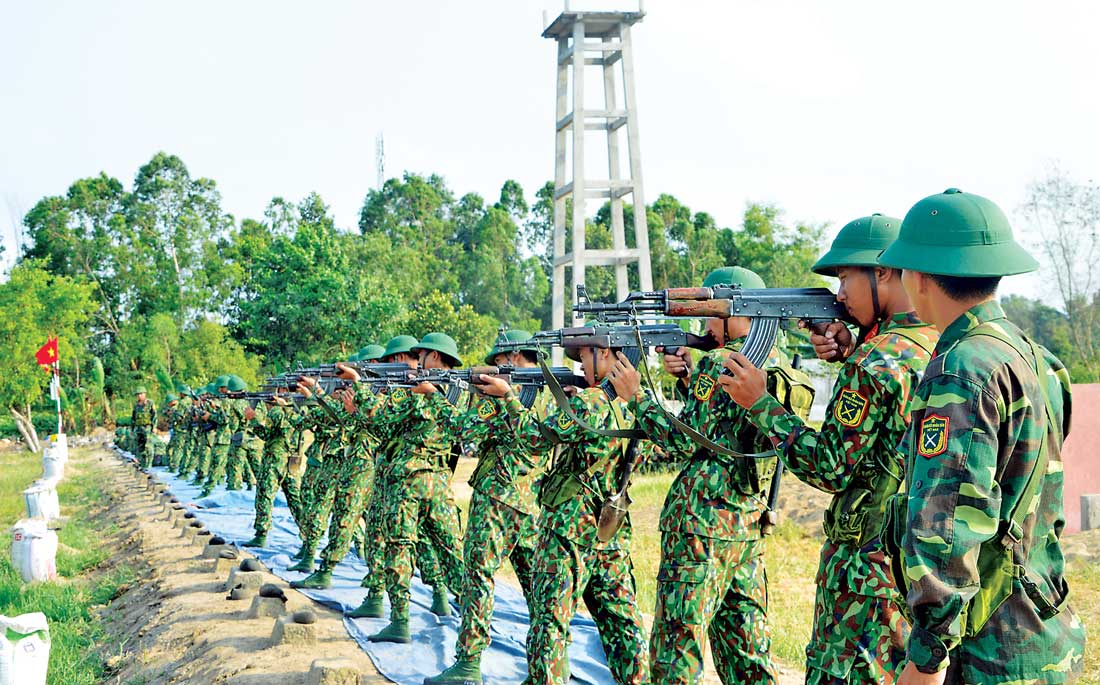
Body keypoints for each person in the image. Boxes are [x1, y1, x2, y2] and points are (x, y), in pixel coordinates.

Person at [717, 220, 939, 685]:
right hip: (914, 563)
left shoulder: (874, 362)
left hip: (863, 578)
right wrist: (852, 346)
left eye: (844, 278)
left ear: (882, 273)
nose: (838, 294)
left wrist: (760, 403)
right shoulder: (934, 344)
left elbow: (829, 467)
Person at [877, 189, 1085, 685]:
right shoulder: (1037, 357)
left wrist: (926, 658)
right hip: (1042, 628)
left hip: (986, 650)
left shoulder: (960, 369)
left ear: (919, 277)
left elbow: (945, 527)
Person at [606, 266, 813, 685]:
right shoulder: (772, 363)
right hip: (746, 523)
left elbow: (682, 442)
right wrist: (687, 381)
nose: (701, 325)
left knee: (677, 649)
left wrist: (637, 397)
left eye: (707, 313)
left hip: (701, 528)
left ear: (733, 311)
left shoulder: (720, 360)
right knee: (747, 653)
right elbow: (722, 427)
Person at [478, 337, 649, 685]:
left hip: (570, 528)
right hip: (611, 528)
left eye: (585, 357)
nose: (581, 366)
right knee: (623, 626)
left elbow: (533, 438)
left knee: (550, 622)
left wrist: (509, 398)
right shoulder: (638, 402)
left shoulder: (591, 402)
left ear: (605, 354)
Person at [426, 330, 550, 685]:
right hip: (532, 500)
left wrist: (438, 399)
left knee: (479, 576)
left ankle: (468, 663)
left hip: (497, 496)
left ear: (511, 358)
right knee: (539, 588)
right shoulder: (552, 391)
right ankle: (545, 667)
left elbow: (467, 433)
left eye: (499, 359)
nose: (494, 365)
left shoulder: (500, 392)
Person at [367, 332, 468, 644]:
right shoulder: (460, 391)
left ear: (434, 357)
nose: (418, 360)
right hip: (438, 481)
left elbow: (381, 419)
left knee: (400, 546)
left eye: (421, 355)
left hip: (408, 480)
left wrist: (360, 390)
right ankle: (472, 614)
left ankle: (400, 621)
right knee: (451, 551)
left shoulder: (423, 391)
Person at [131, 386, 157, 469]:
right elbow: (133, 418)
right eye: (138, 394)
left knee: (148, 447)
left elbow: (154, 415)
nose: (139, 396)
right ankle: (142, 464)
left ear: (145, 394)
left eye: (141, 394)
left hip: (147, 427)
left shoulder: (150, 403)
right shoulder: (136, 405)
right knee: (140, 447)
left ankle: (149, 465)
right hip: (139, 428)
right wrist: (132, 429)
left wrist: (154, 427)